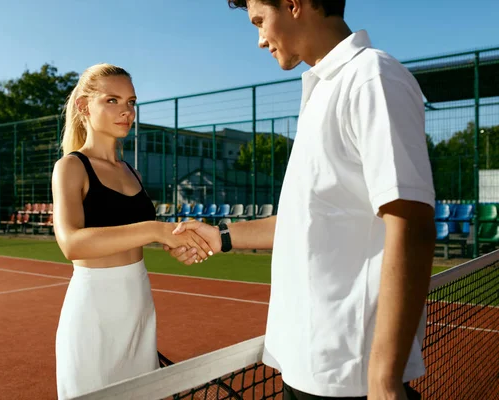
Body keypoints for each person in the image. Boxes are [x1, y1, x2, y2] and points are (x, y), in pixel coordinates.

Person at [164, 1, 436, 399]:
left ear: (293, 5)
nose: (259, 40)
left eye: (259, 21)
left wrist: (383, 380)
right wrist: (219, 236)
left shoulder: (371, 77)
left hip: (351, 376)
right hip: (306, 364)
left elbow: (411, 226)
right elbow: (304, 220)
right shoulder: (322, 87)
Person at [51, 63, 214, 400]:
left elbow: (135, 241)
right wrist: (155, 229)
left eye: (131, 101)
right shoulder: (71, 166)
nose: (126, 111)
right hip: (93, 310)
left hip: (138, 304)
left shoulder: (133, 172)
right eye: (112, 100)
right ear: (84, 106)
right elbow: (71, 243)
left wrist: (177, 245)